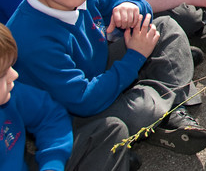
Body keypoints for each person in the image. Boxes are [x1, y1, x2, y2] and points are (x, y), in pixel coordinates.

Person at [6, 0, 206, 156]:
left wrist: (130, 7)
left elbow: (127, 2)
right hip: (74, 116)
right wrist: (135, 57)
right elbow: (84, 100)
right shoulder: (32, 36)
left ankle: (162, 100)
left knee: (165, 26)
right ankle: (167, 102)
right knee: (142, 109)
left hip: (100, 72)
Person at [0, 23, 133, 171]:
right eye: (3, 73)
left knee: (109, 130)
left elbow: (49, 116)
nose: (14, 75)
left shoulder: (13, 92)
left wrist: (52, 164)